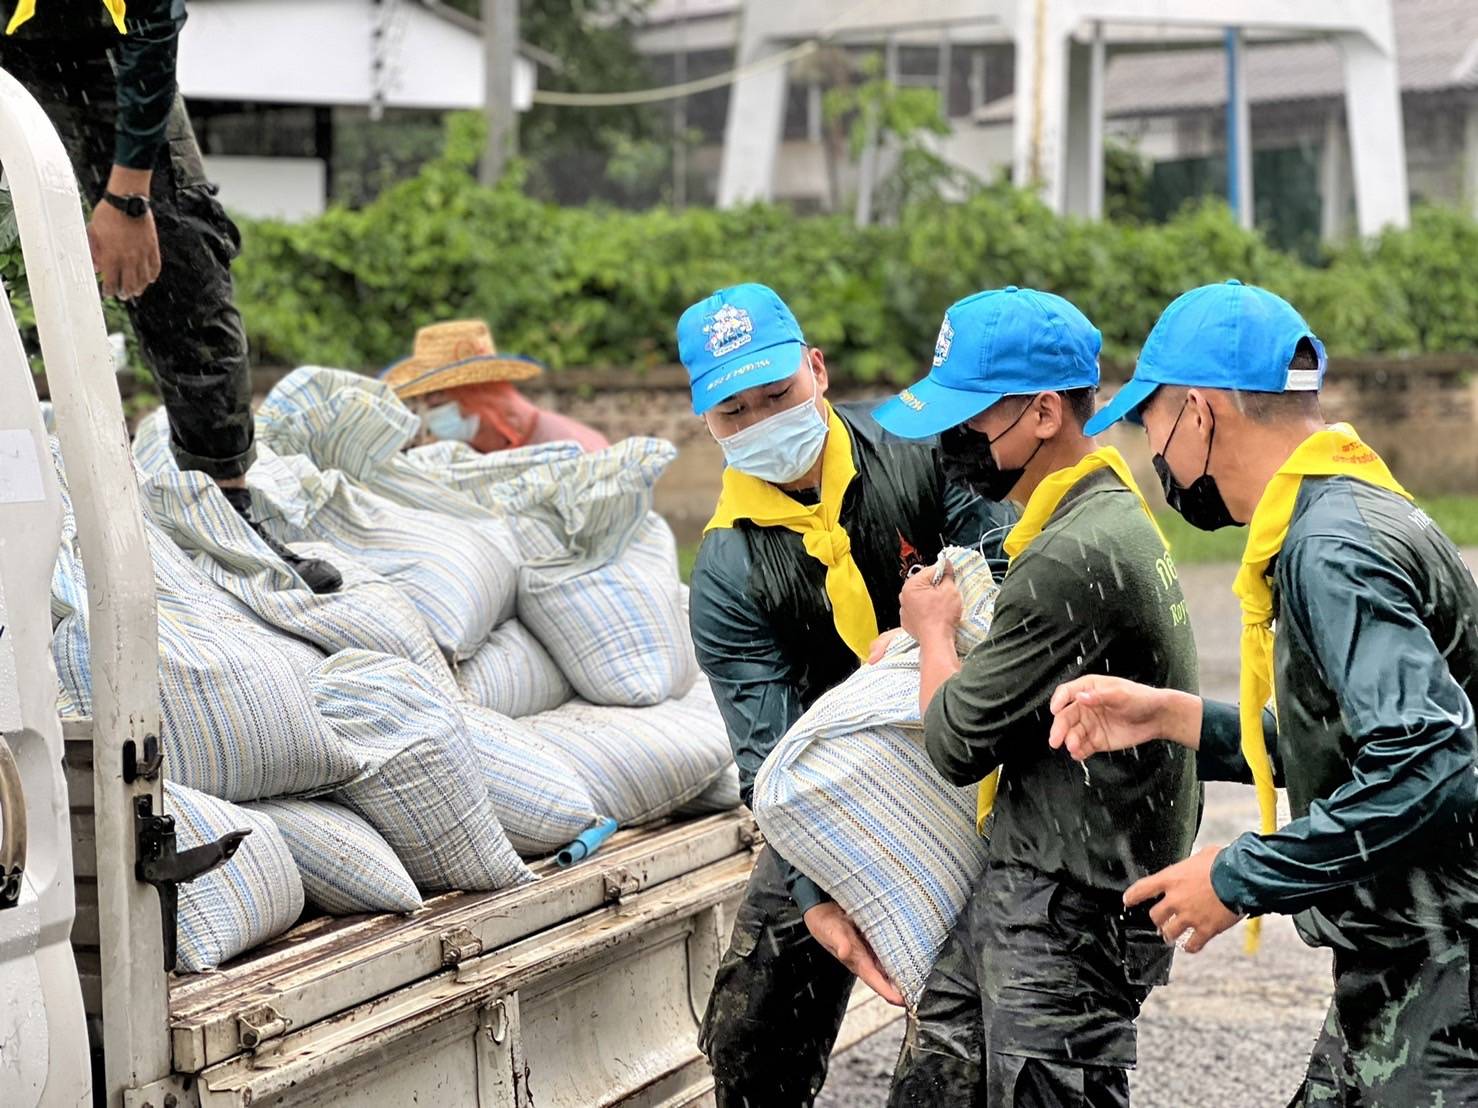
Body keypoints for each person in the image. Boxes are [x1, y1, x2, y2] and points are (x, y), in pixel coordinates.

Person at [1050, 280, 1478, 1106]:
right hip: (1405, 966)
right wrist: (1172, 715)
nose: (1155, 454)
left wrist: (1239, 875)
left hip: (1445, 976)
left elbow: (1429, 768)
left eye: (1150, 425)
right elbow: (1361, 746)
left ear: (1199, 413)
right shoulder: (1344, 507)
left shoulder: (1334, 548)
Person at [680, 282, 1015, 1107]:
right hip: (845, 787)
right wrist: (817, 899)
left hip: (985, 741)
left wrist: (927, 638)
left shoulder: (920, 451)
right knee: (752, 1020)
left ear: (818, 370)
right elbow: (771, 765)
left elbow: (1009, 574)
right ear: (707, 422)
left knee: (962, 1027)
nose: (762, 422)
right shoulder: (727, 570)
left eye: (777, 395)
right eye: (734, 412)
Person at [874, 286, 1202, 1107]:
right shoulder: (1098, 513)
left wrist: (934, 630)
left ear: (1045, 413)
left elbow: (954, 742)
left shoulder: (1070, 553)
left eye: (970, 418)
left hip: (1071, 907)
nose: (952, 442)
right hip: (1045, 873)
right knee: (939, 1079)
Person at [0, 0, 339, 593]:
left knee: (184, 261)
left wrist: (129, 197)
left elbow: (152, 28)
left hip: (105, 51)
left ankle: (226, 511)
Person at [386, 320, 609, 454]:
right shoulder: (470, 457)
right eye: (423, 397)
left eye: (436, 394)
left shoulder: (570, 448)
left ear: (477, 393)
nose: (427, 406)